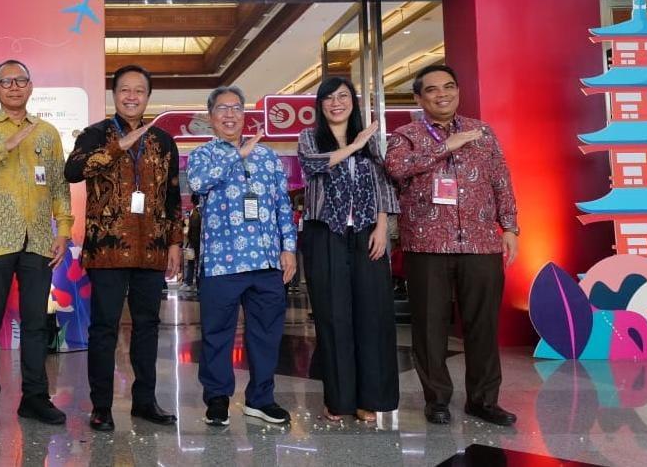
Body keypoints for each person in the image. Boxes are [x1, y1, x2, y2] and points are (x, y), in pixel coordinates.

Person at [384, 64, 519, 427]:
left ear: (458, 91)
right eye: (432, 89)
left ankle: (484, 400)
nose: (442, 94)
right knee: (430, 327)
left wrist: (510, 227)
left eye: (448, 87)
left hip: (480, 242)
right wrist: (445, 147)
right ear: (419, 98)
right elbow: (396, 169)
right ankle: (437, 399)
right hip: (427, 245)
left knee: (482, 326)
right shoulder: (405, 136)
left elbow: (501, 180)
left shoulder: (482, 132)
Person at [0, 59, 73, 433]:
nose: (14, 87)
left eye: (21, 80)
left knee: (37, 324)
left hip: (37, 239)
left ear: (31, 86)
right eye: (6, 82)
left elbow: (59, 186)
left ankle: (34, 398)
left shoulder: (47, 133)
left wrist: (63, 230)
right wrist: (5, 147)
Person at [64, 64, 183, 432]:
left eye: (139, 91)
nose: (132, 97)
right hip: (108, 249)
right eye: (125, 90)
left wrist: (175, 242)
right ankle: (101, 407)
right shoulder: (95, 134)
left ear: (148, 97)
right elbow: (72, 171)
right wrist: (118, 148)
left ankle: (145, 401)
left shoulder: (163, 141)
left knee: (148, 326)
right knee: (104, 328)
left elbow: (173, 196)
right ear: (114, 95)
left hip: (152, 248)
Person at [186, 85, 297, 427]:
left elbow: (282, 204)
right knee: (217, 334)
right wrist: (238, 155)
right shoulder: (202, 155)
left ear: (244, 114)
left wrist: (289, 248)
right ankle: (218, 399)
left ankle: (261, 399)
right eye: (222, 108)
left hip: (266, 261)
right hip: (222, 263)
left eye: (236, 108)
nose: (230, 114)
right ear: (211, 116)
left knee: (266, 335)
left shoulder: (268, 157)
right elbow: (198, 184)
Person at [297, 76, 400, 423]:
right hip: (325, 233)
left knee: (372, 314)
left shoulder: (369, 142)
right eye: (329, 98)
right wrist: (355, 146)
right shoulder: (310, 138)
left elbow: (384, 185)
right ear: (320, 105)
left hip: (367, 233)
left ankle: (368, 398)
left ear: (353, 102)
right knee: (333, 316)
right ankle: (338, 399)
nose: (336, 103)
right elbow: (314, 165)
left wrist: (382, 228)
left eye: (343, 96)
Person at [184, 194, 202, 290]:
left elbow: (191, 227)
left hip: (193, 242)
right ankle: (198, 284)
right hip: (201, 242)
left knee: (191, 262)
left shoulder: (193, 212)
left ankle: (189, 283)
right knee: (199, 263)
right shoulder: (203, 210)